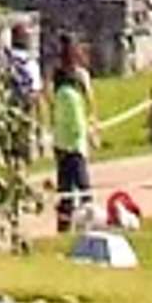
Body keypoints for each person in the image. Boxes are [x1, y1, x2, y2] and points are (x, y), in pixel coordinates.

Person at [48, 39, 97, 232]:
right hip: (72, 143)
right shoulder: (64, 82)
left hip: (64, 141)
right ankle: (78, 223)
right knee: (79, 185)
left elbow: (52, 103)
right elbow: (79, 119)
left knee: (67, 185)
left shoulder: (68, 81)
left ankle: (70, 223)